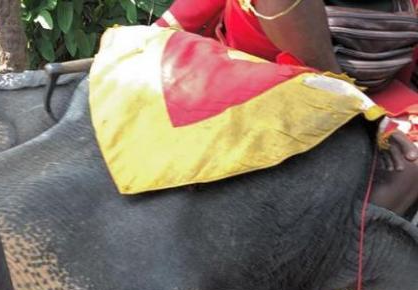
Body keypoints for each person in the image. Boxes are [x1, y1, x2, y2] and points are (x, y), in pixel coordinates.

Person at [155, 0, 418, 214]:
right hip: (264, 90)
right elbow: (169, 30)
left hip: (377, 98)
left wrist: (376, 113)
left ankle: (344, 261)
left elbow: (404, 65)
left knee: (410, 162)